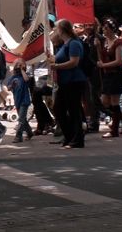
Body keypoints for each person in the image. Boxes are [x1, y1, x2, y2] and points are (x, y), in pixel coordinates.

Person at [49, 19, 87, 149]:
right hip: (65, 81)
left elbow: (74, 62)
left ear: (61, 29)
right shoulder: (65, 43)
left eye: (55, 27)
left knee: (74, 110)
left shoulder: (74, 43)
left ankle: (77, 139)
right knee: (59, 108)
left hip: (74, 80)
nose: (54, 30)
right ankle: (69, 136)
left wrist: (57, 66)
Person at [96, 18, 122, 138]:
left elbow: (118, 61)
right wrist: (97, 47)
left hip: (116, 74)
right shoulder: (105, 42)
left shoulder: (117, 42)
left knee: (114, 101)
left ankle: (115, 130)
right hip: (107, 74)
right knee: (105, 101)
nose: (104, 30)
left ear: (112, 29)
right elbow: (101, 56)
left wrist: (104, 65)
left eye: (106, 28)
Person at [7, 58, 33, 143]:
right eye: (19, 65)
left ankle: (18, 136)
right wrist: (12, 84)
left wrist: (23, 71)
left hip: (24, 100)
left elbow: (26, 80)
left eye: (23, 65)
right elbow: (8, 88)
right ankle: (29, 132)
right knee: (23, 119)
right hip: (17, 100)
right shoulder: (13, 77)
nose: (21, 67)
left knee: (21, 120)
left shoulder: (26, 75)